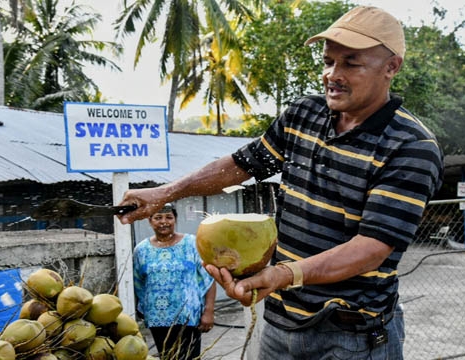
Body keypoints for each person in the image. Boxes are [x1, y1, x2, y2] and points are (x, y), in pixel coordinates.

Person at [119, 6, 443, 359]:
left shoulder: (411, 146)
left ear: (391, 67)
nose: (332, 74)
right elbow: (243, 163)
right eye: (328, 61)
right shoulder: (304, 113)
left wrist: (283, 275)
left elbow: (371, 249)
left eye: (351, 64)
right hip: (280, 325)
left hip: (351, 336)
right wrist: (166, 192)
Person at [133, 203, 216, 359]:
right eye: (158, 218)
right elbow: (139, 284)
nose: (164, 221)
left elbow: (209, 278)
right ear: (150, 221)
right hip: (157, 319)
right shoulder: (141, 250)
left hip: (188, 318)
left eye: (169, 217)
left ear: (175, 220)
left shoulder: (192, 244)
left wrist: (209, 311)